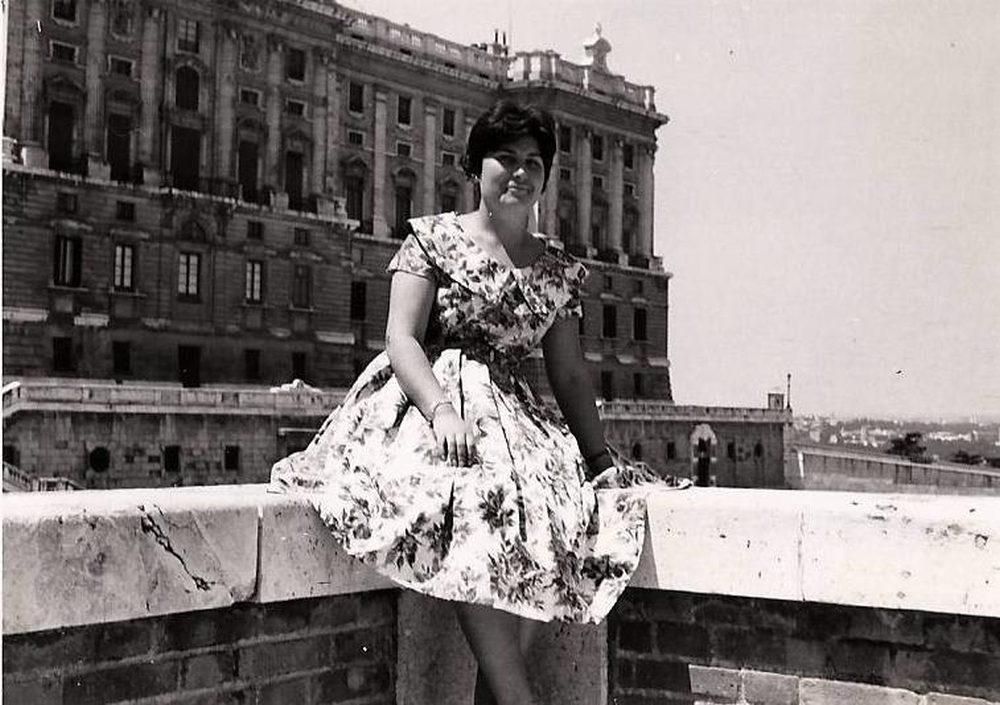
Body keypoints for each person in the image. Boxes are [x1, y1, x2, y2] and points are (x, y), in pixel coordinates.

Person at [271, 99, 689, 705]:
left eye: (534, 163)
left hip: (514, 412)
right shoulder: (433, 238)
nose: (520, 173)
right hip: (427, 402)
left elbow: (569, 376)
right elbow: (401, 338)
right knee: (475, 503)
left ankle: (500, 697)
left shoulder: (558, 271)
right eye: (506, 158)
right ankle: (518, 699)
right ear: (476, 167)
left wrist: (598, 457)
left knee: (567, 517)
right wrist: (442, 410)